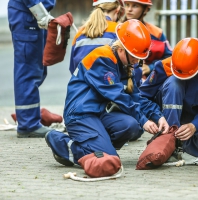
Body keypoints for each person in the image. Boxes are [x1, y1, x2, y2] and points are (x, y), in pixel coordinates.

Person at [45, 19, 169, 177]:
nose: (137, 62)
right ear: (122, 49)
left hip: (100, 113)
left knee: (132, 126)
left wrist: (158, 117)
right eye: (134, 57)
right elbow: (119, 96)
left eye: (139, 58)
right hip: (81, 114)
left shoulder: (125, 63)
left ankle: (95, 143)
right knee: (110, 161)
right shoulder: (102, 58)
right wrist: (144, 120)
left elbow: (136, 97)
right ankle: (62, 143)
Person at [139, 37, 198, 165]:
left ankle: (184, 143)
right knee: (174, 83)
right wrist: (157, 116)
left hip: (197, 118)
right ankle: (169, 140)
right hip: (167, 115)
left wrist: (195, 125)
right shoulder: (164, 66)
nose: (183, 78)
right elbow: (142, 97)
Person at [8, 0, 56, 138]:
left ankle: (29, 118)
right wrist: (40, 13)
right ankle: (28, 124)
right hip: (28, 13)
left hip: (33, 14)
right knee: (27, 70)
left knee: (36, 70)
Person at [123, 0, 172, 86]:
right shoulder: (117, 30)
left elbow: (170, 57)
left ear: (145, 9)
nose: (129, 9)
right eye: (127, 5)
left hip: (150, 82)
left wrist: (151, 67)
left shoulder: (157, 33)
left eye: (135, 6)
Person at [69, 0, 125, 74]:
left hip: (81, 84)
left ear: (96, 7)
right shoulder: (120, 30)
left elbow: (73, 68)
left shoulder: (79, 33)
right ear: (117, 10)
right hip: (110, 84)